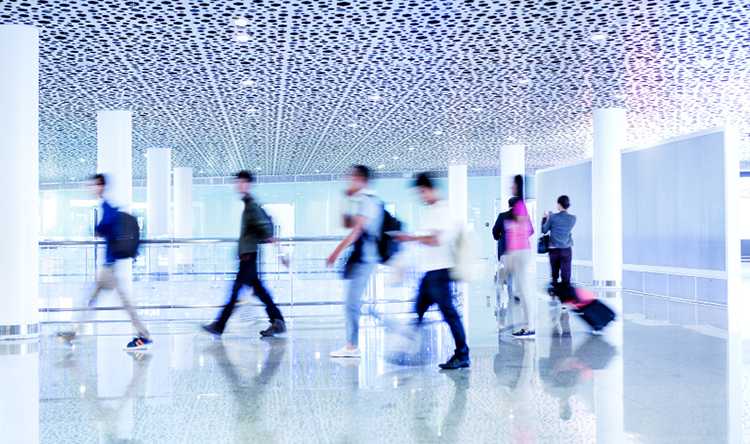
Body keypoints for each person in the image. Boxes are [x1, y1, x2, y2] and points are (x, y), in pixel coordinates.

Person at [58, 173, 152, 351]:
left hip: (109, 267)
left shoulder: (107, 206)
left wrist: (98, 229)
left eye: (95, 185)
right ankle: (73, 332)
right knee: (92, 299)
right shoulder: (107, 206)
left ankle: (144, 335)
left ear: (101, 186)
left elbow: (104, 226)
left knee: (118, 301)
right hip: (108, 266)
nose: (92, 188)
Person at [396, 172, 470, 370]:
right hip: (430, 272)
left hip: (440, 271)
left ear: (430, 189)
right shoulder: (433, 210)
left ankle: (462, 354)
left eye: (422, 192)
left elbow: (436, 240)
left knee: (449, 313)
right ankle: (405, 350)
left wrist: (410, 238)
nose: (421, 196)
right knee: (418, 309)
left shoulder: (443, 211)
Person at [203, 170, 286, 338]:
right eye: (237, 182)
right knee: (260, 291)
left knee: (235, 293)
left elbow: (263, 226)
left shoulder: (251, 205)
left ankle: (220, 325)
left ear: (248, 184)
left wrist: (276, 245)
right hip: (248, 255)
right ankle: (277, 320)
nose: (238, 185)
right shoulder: (249, 204)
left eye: (242, 182)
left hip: (248, 256)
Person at [326, 165, 383, 358]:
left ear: (361, 179)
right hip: (363, 257)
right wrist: (346, 199)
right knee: (353, 301)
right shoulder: (362, 201)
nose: (349, 180)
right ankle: (353, 343)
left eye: (352, 177)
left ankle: (352, 346)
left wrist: (335, 252)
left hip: (366, 258)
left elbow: (356, 231)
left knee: (351, 302)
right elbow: (346, 223)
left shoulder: (368, 201)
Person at [503, 174, 536, 339]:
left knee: (524, 290)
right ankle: (528, 325)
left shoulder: (520, 205)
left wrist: (512, 228)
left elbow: (525, 228)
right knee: (522, 291)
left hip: (520, 252)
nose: (511, 187)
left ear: (517, 186)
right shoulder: (520, 205)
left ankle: (529, 326)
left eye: (512, 184)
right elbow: (529, 230)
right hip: (519, 252)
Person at [542, 195, 576, 285]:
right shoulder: (573, 218)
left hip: (554, 249)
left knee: (554, 276)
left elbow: (544, 230)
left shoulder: (552, 217)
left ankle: (554, 295)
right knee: (566, 275)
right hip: (566, 249)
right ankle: (566, 295)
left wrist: (545, 218)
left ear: (559, 205)